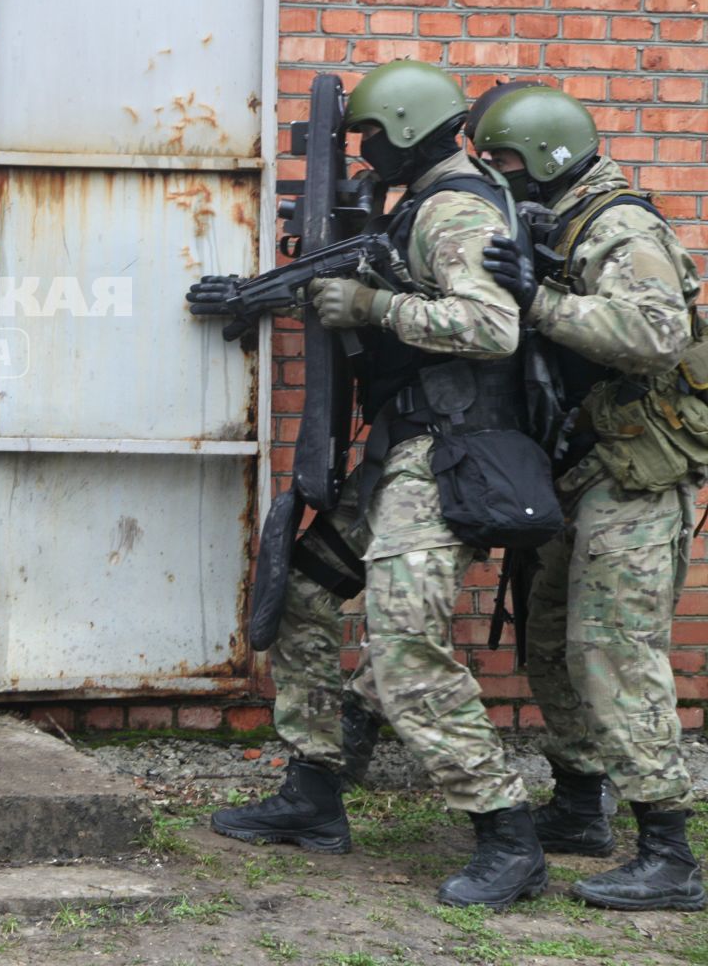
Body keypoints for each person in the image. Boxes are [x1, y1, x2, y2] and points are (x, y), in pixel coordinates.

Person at [213, 60, 540, 909]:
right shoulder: (416, 207)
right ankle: (314, 795)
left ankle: (506, 833)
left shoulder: (455, 208)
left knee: (404, 652)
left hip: (448, 459)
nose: (362, 149)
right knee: (305, 596)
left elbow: (491, 323)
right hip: (404, 454)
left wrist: (371, 309)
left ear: (402, 127)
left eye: (369, 134)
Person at [475, 85, 706, 910]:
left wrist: (540, 299)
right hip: (582, 468)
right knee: (549, 643)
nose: (495, 175)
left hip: (635, 474)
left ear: (547, 155)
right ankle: (580, 807)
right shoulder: (563, 221)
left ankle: (671, 854)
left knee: (612, 650)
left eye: (502, 160)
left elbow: (654, 336)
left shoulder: (620, 227)